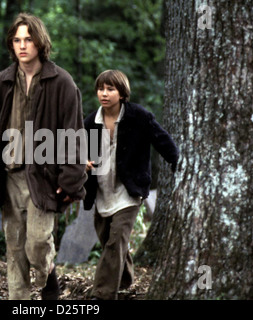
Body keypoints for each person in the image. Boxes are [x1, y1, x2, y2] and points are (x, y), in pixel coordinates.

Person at [0, 13, 87, 300]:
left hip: (44, 177)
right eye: (16, 40)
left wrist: (72, 179)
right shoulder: (0, 83)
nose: (22, 45)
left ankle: (49, 281)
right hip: (9, 175)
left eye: (28, 39)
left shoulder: (61, 82)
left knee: (37, 243)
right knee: (15, 249)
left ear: (40, 42)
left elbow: (73, 133)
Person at [83, 70, 179, 300]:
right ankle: (125, 278)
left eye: (110, 89)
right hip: (102, 191)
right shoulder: (89, 122)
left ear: (122, 93)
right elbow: (76, 152)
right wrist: (81, 163)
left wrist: (178, 162)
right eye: (101, 89)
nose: (104, 94)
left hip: (130, 191)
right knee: (108, 240)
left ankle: (103, 294)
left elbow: (162, 140)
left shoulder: (139, 117)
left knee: (116, 240)